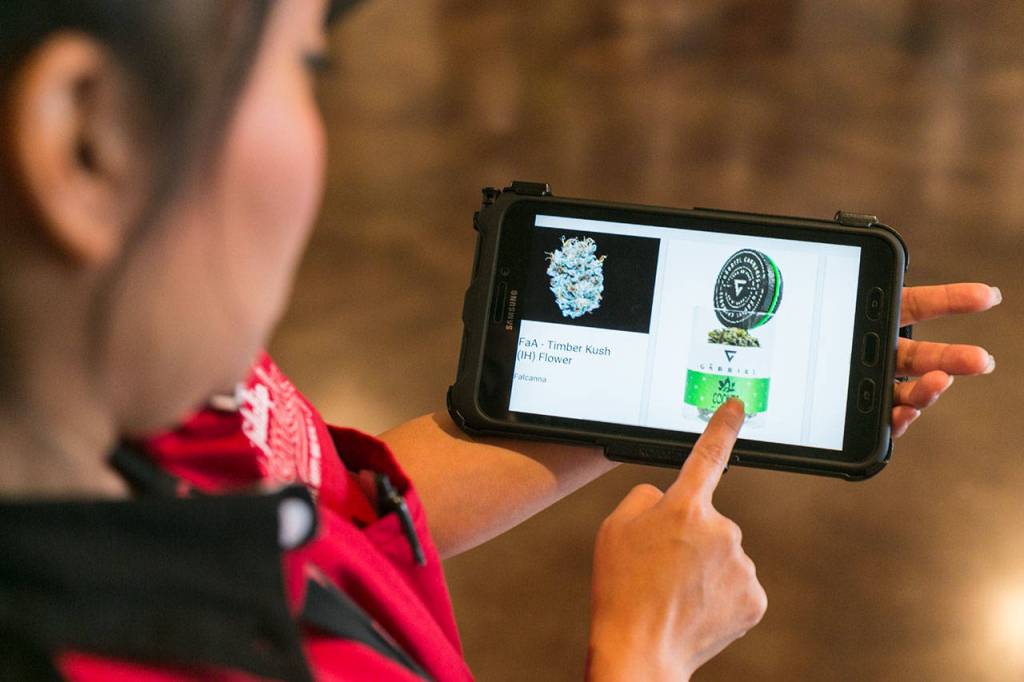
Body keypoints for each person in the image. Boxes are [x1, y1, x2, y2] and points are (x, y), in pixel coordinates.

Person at [0, 1, 1000, 680]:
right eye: (305, 65)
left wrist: (650, 382)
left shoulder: (160, 404)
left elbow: (354, 529)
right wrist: (643, 652)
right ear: (86, 138)